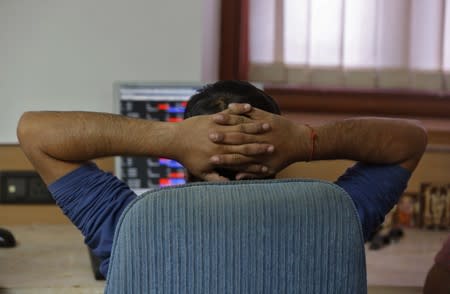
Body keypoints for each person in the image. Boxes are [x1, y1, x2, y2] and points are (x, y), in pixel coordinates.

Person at [17, 80, 427, 278]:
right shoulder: (338, 217)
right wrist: (307, 140)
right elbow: (410, 139)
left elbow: (35, 131)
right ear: (280, 159)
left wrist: (169, 137)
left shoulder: (126, 223)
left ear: (186, 164)